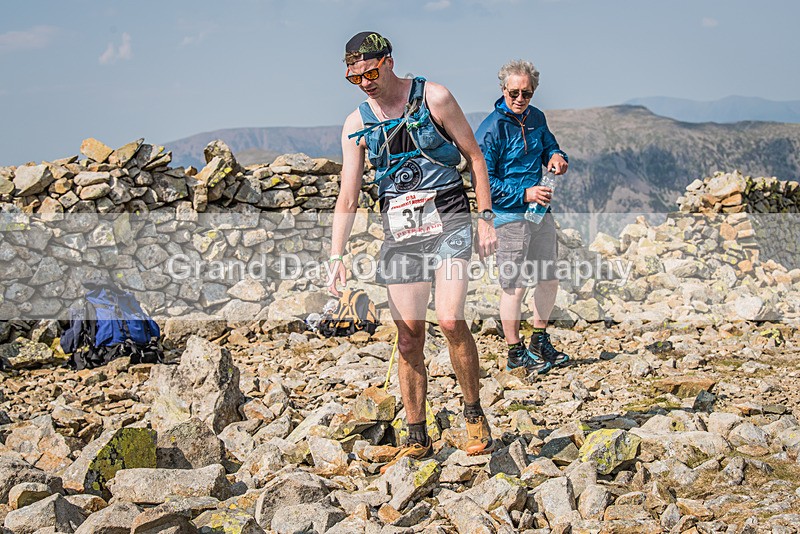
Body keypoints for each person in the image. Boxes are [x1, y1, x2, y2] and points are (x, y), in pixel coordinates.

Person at [328, 31, 498, 473]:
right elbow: (347, 198)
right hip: (401, 234)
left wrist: (485, 216)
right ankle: (417, 434)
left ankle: (474, 413)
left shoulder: (434, 97)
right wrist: (336, 256)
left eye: (369, 72)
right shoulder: (356, 124)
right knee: (408, 338)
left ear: (387, 61)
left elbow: (475, 157)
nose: (363, 82)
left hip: (450, 220)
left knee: (448, 319)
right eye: (353, 77)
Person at [476, 59, 570, 376]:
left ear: (533, 92)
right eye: (514, 92)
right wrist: (525, 193)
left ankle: (539, 340)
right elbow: (484, 182)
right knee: (513, 285)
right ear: (503, 89)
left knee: (549, 277)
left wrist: (557, 157)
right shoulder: (492, 128)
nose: (519, 98)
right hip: (508, 215)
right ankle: (515, 351)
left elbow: (549, 147)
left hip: (539, 211)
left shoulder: (536, 118)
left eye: (526, 93)